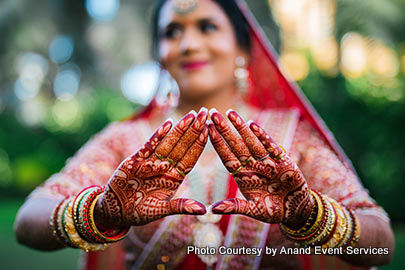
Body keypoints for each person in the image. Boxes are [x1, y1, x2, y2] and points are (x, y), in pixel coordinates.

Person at [14, 0, 394, 269]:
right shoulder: (125, 139)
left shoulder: (290, 137)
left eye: (207, 27)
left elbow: (382, 247)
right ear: (160, 54)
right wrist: (101, 213)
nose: (188, 43)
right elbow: (28, 222)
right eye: (172, 32)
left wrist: (311, 216)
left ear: (243, 48)